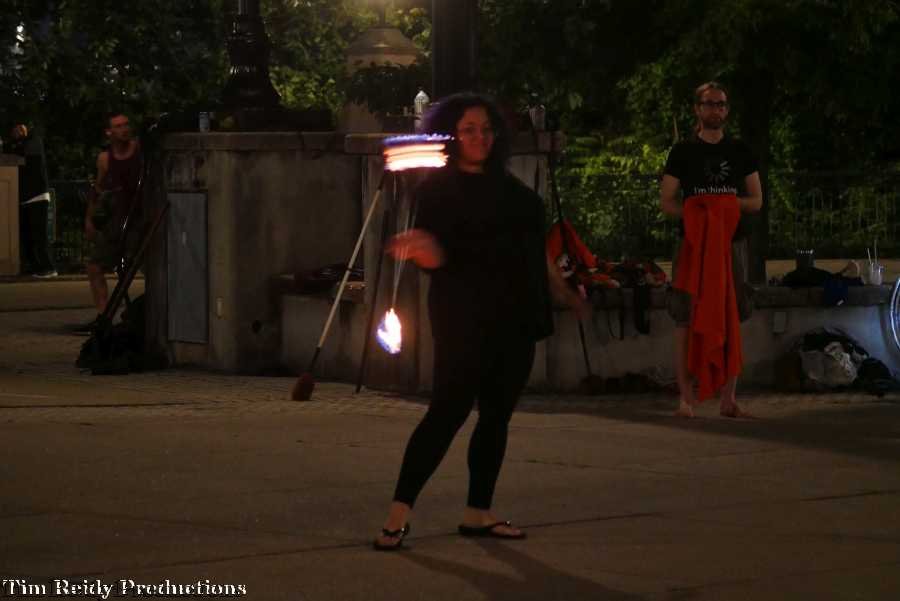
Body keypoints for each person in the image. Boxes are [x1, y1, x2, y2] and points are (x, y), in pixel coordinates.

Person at [372, 93, 588, 551]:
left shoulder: (519, 196)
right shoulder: (438, 191)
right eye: (469, 129)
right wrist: (422, 248)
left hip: (516, 317)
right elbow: (437, 255)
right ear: (453, 134)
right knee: (446, 412)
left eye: (487, 129)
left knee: (495, 416)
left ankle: (478, 511)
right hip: (463, 318)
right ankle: (397, 516)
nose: (480, 138)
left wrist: (566, 293)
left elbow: (537, 255)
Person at [660, 81, 762, 418]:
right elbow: (667, 201)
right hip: (693, 244)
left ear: (726, 110)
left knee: (731, 312)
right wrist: (698, 215)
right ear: (697, 109)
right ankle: (685, 399)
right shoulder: (683, 152)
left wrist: (724, 207)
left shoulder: (740, 151)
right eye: (709, 104)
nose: (715, 109)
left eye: (720, 104)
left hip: (730, 243)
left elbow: (756, 200)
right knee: (685, 314)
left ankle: (728, 399)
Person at [83, 112, 143, 319]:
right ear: (108, 132)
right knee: (94, 266)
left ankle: (152, 313)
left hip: (140, 218)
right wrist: (89, 219)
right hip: (117, 220)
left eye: (126, 124)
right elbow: (98, 191)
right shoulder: (105, 158)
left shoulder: (140, 150)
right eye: (118, 126)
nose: (124, 129)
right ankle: (102, 315)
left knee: (148, 266)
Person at [9, 124, 57, 277]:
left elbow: (27, 154)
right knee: (27, 236)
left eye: (19, 129)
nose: (17, 132)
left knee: (39, 235)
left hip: (37, 195)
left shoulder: (34, 141)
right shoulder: (24, 144)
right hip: (26, 197)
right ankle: (37, 267)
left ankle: (49, 267)